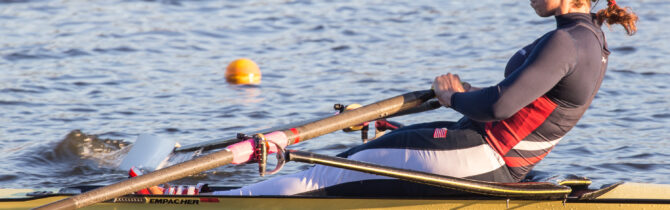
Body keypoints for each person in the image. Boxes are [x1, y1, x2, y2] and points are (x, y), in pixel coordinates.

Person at [211, 0, 638, 196]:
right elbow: (523, 103)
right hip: (487, 154)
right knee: (350, 158)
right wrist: (468, 95)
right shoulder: (591, 40)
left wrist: (453, 95)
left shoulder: (565, 41)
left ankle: (208, 203)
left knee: (330, 171)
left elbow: (498, 108)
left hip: (481, 154)